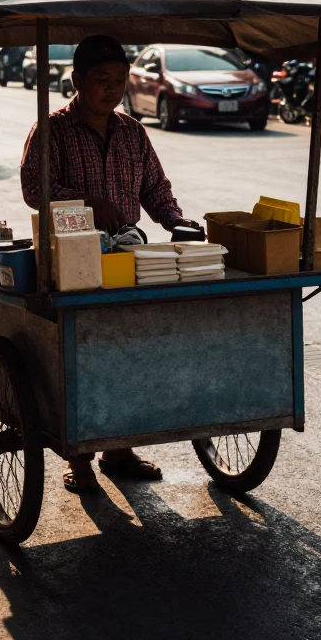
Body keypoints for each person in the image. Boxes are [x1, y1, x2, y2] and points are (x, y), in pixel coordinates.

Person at [20, 34, 200, 494]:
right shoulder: (52, 130)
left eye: (118, 80)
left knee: (132, 350)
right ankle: (79, 457)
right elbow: (34, 190)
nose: (111, 89)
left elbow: (155, 188)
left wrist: (176, 221)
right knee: (82, 353)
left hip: (126, 253)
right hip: (71, 257)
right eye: (100, 80)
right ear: (77, 80)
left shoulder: (132, 132)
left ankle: (122, 447)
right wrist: (87, 203)